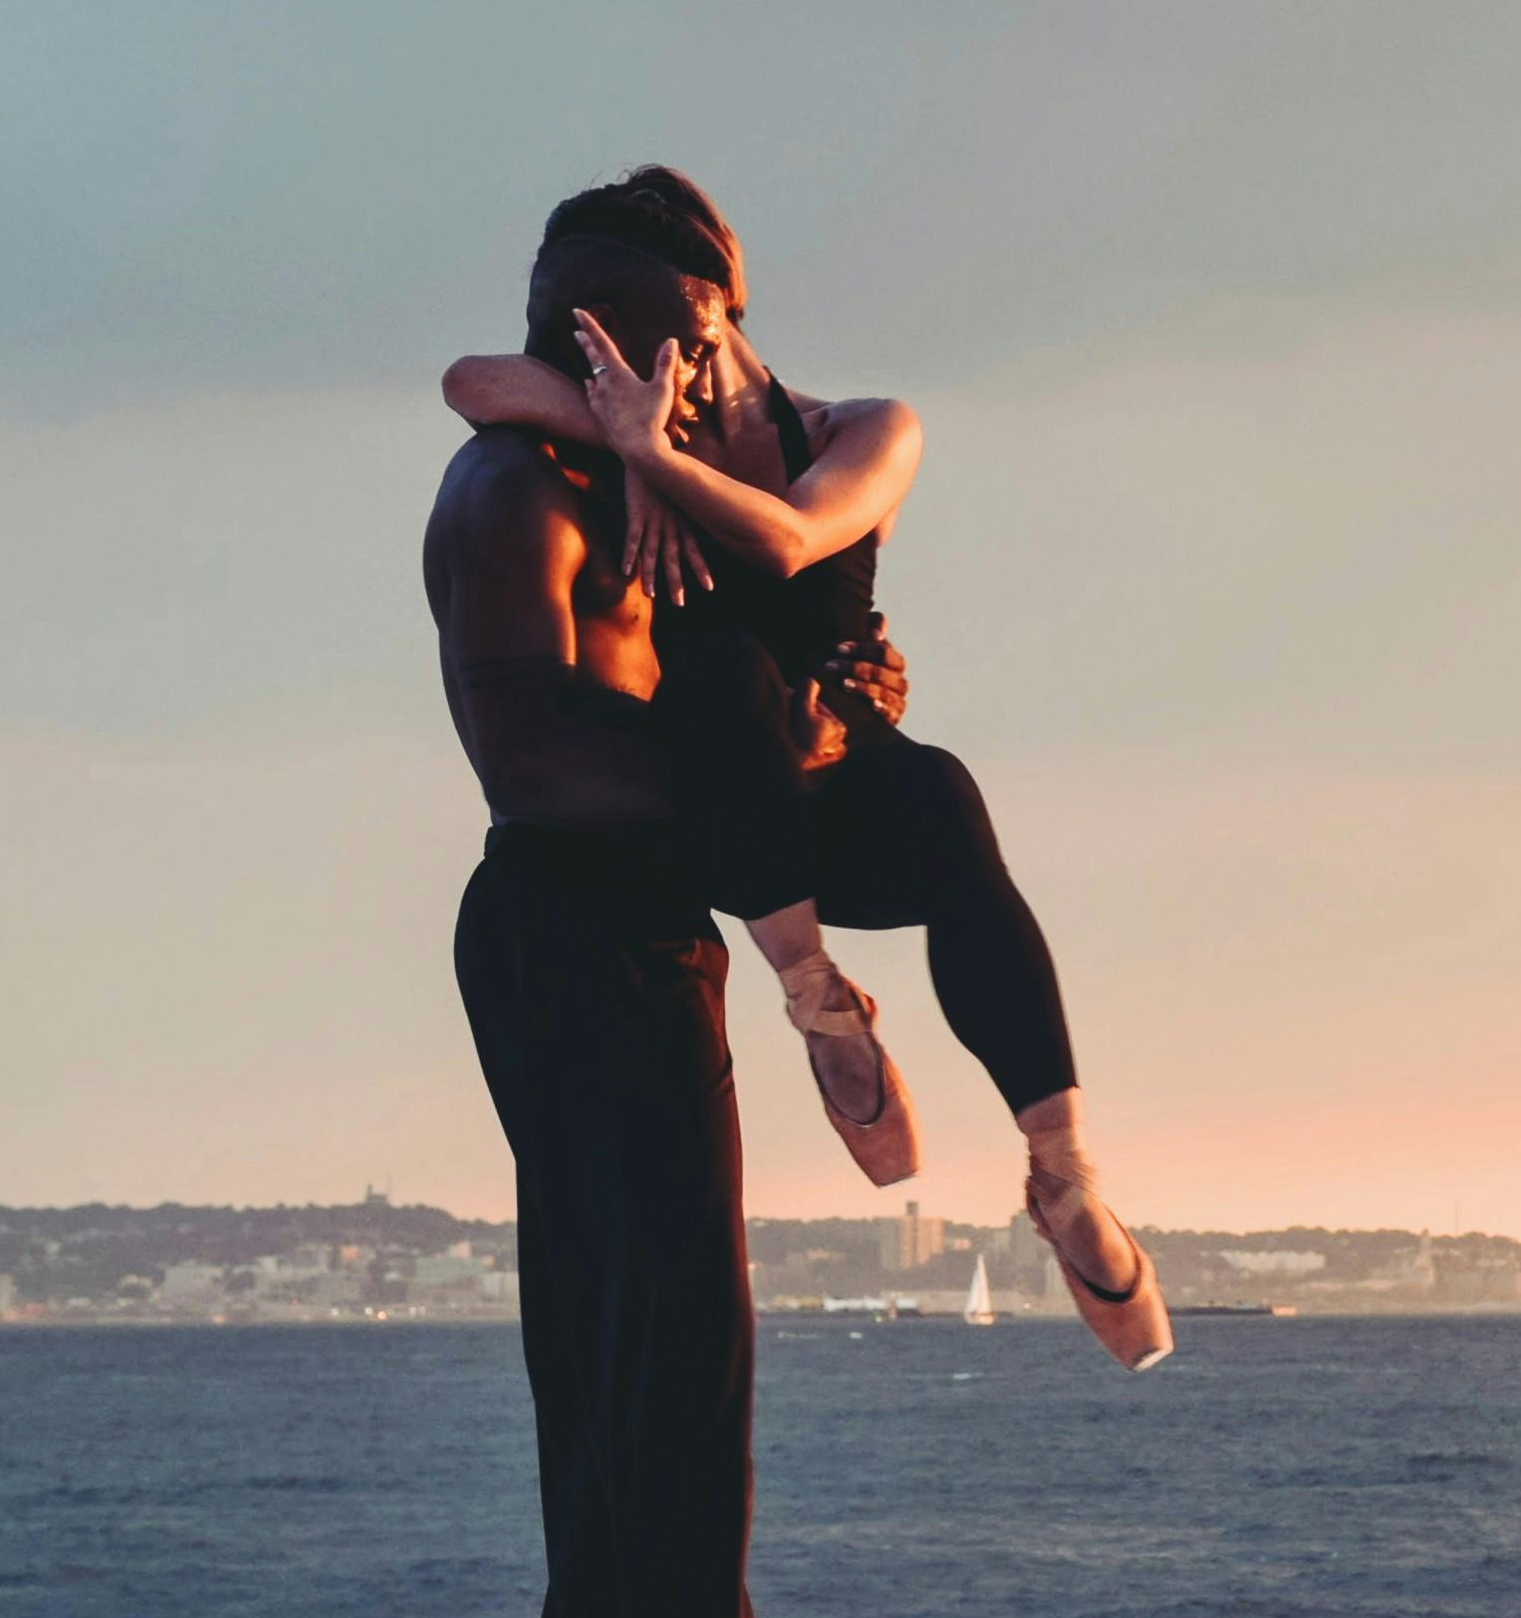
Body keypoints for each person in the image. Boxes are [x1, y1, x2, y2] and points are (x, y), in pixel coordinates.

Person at [444, 169, 1171, 1372]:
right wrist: (625, 440)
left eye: (645, 337)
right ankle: (824, 1009)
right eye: (594, 351)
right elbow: (470, 382)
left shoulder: (859, 428)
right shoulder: (620, 414)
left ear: (716, 309)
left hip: (843, 791)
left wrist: (654, 462)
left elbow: (785, 540)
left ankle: (1064, 1178)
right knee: (724, 674)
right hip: (729, 805)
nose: (623, 370)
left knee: (941, 789)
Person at [424, 227, 786, 1618]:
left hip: (638, 929)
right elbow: (530, 753)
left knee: (625, 1347)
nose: (718, 365)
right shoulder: (509, 497)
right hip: (569, 925)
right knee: (668, 1343)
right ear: (619, 338)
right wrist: (761, 816)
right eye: (699, 333)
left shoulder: (613, 482)